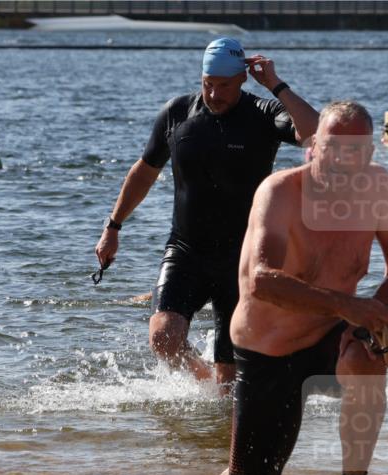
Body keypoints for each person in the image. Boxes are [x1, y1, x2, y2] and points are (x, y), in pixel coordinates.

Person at [208, 101, 388, 475]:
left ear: (370, 153)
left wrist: (367, 317)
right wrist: (347, 307)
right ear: (313, 146)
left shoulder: (377, 187)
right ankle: (237, 473)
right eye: (333, 147)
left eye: (355, 150)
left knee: (367, 361)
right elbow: (261, 281)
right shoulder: (281, 192)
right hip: (269, 349)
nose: (343, 159)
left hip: (329, 334)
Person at [94, 37, 319, 389]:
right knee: (163, 339)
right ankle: (205, 382)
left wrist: (276, 84)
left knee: (230, 382)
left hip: (242, 258)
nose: (214, 94)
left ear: (243, 78)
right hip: (186, 250)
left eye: (224, 86)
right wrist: (113, 226)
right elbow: (144, 171)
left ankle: (220, 393)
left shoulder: (264, 113)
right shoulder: (177, 113)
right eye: (208, 84)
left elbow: (317, 135)